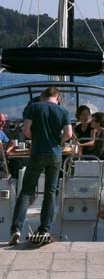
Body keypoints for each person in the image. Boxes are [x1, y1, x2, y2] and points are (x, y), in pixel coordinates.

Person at [9, 86, 72, 246]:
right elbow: (69, 134)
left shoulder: (34, 107)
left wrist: (36, 139)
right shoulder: (63, 111)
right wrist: (58, 142)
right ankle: (44, 229)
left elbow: (26, 131)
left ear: (43, 96)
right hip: (55, 155)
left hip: (37, 153)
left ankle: (16, 229)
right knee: (50, 193)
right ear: (57, 97)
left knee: (26, 192)